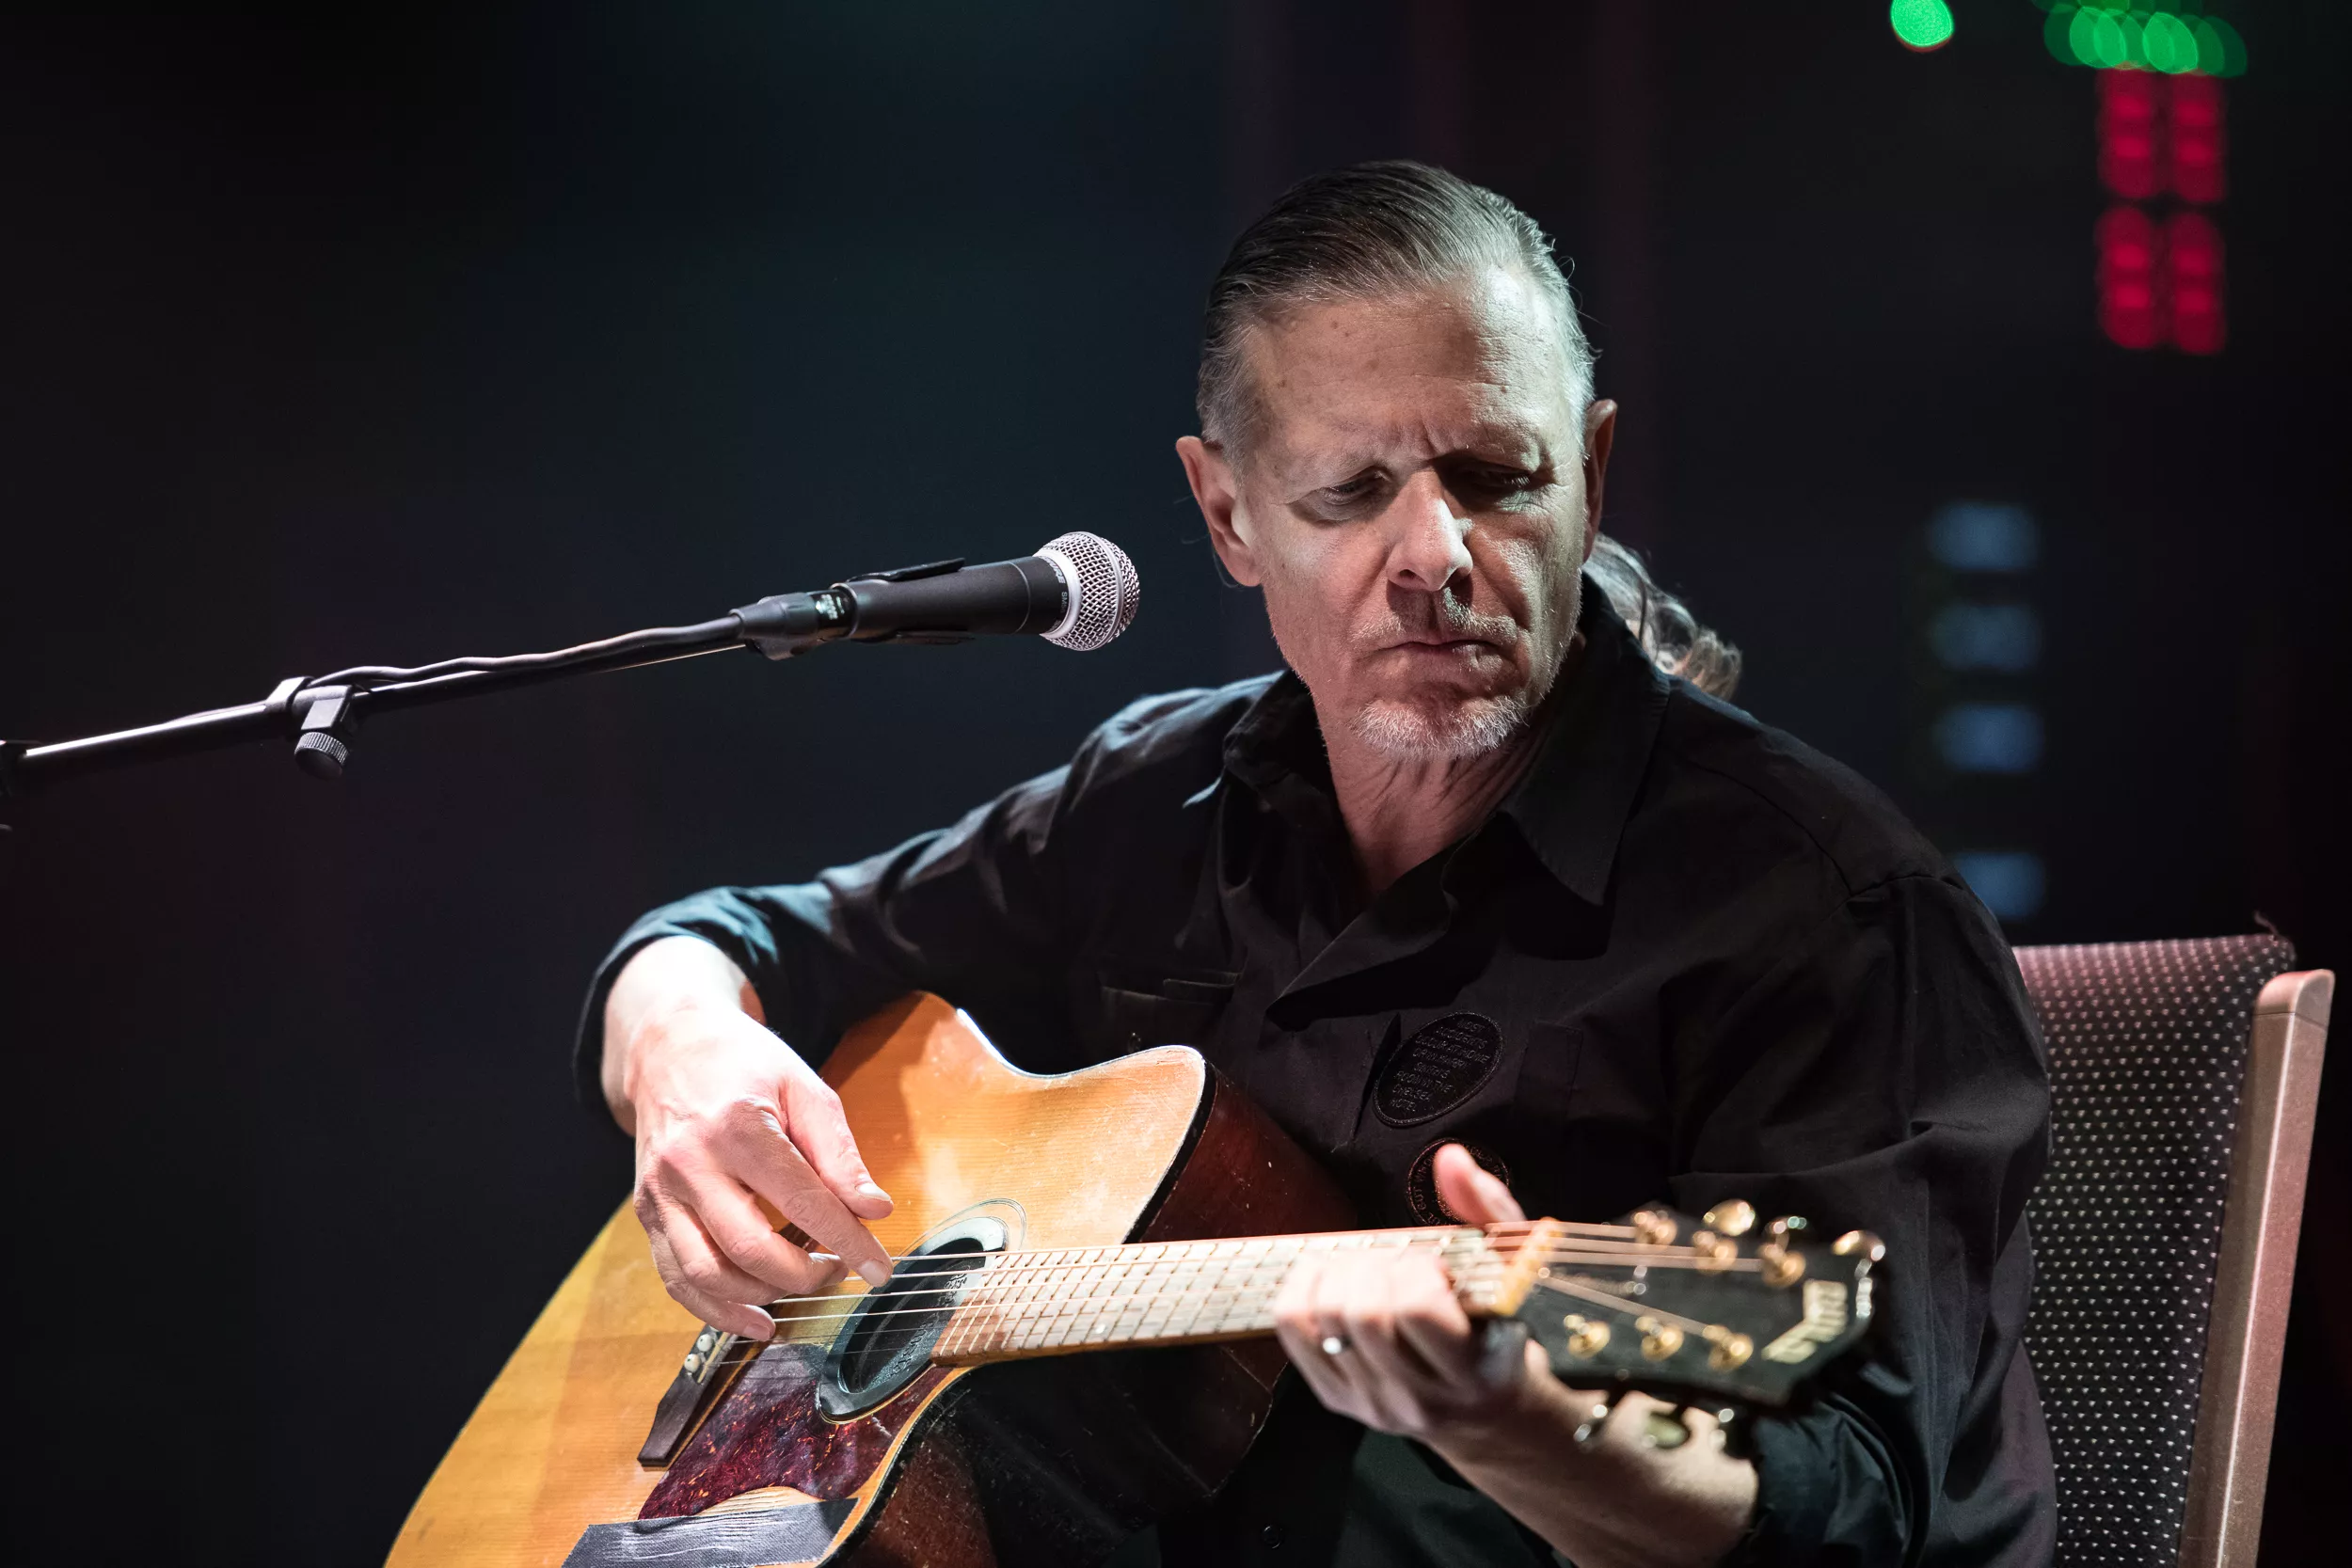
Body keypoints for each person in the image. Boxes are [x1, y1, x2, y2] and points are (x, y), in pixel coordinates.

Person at [580, 162, 2055, 1567]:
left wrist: (1518, 1429)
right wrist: (683, 1051)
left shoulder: (1832, 912)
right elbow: (728, 938)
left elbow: (1864, 1514)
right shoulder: (1149, 801)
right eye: (1350, 492)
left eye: (1496, 474)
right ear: (1227, 512)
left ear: (1592, 474)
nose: (1437, 551)